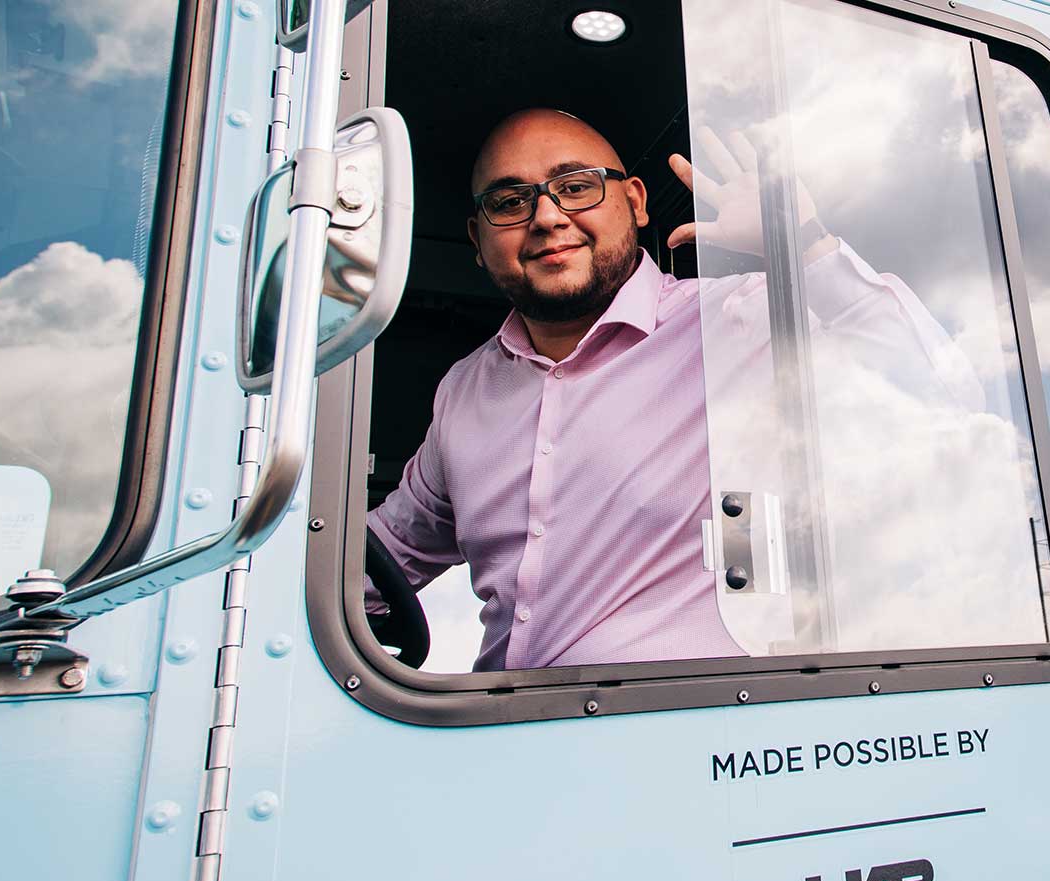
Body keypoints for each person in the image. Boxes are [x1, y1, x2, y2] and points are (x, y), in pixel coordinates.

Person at [365, 108, 973, 672]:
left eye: (576, 186)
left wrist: (805, 247)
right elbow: (389, 550)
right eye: (510, 200)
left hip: (691, 742)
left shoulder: (738, 319)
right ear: (477, 239)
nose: (547, 217)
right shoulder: (465, 391)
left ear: (635, 202)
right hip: (494, 739)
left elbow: (939, 389)